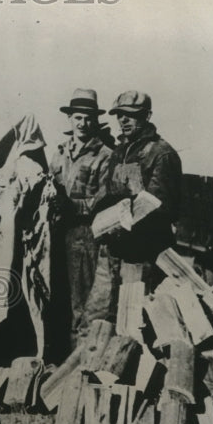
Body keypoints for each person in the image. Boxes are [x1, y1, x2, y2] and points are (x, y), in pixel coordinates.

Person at [85, 90, 183, 323]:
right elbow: (110, 193)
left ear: (147, 116)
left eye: (132, 115)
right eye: (119, 115)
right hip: (117, 251)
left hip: (143, 255)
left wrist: (125, 221)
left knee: (136, 319)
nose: (123, 120)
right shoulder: (120, 152)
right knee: (108, 315)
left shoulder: (161, 153)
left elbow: (160, 207)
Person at [49, 89, 114, 335]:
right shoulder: (59, 152)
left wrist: (73, 206)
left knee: (83, 305)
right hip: (56, 235)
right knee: (56, 300)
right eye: (78, 117)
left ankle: (78, 364)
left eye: (88, 118)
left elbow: (103, 200)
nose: (83, 123)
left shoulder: (105, 155)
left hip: (84, 237)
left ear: (95, 120)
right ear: (70, 119)